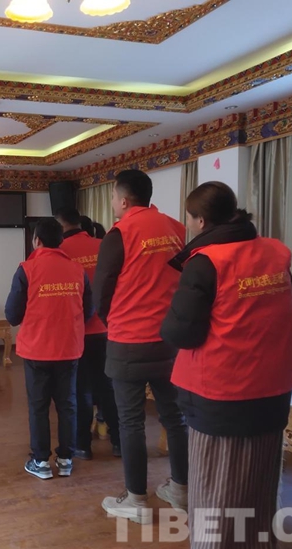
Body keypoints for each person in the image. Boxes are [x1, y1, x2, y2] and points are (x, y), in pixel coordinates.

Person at [161, 182, 292, 549]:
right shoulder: (276, 253)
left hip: (221, 392)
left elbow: (182, 332)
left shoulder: (206, 262)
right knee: (259, 482)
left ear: (201, 221)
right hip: (272, 389)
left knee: (214, 486)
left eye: (189, 220)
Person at [93, 169, 189, 524]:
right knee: (175, 417)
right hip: (170, 340)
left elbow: (101, 289)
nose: (113, 203)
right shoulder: (177, 228)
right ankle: (181, 489)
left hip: (129, 340)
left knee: (131, 421)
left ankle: (136, 501)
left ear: (124, 200)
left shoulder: (120, 233)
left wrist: (111, 319)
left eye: (113, 197)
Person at [5, 218, 93, 480]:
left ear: (37, 240)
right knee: (68, 405)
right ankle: (66, 460)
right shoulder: (77, 270)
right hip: (69, 349)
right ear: (61, 241)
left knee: (39, 406)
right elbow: (89, 311)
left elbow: (12, 314)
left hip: (37, 350)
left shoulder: (27, 269)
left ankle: (41, 461)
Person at [55, 207, 121, 460]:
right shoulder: (103, 246)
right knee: (108, 387)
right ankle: (119, 443)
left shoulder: (60, 252)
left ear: (61, 226)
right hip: (107, 329)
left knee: (80, 390)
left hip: (76, 332)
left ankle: (83, 445)